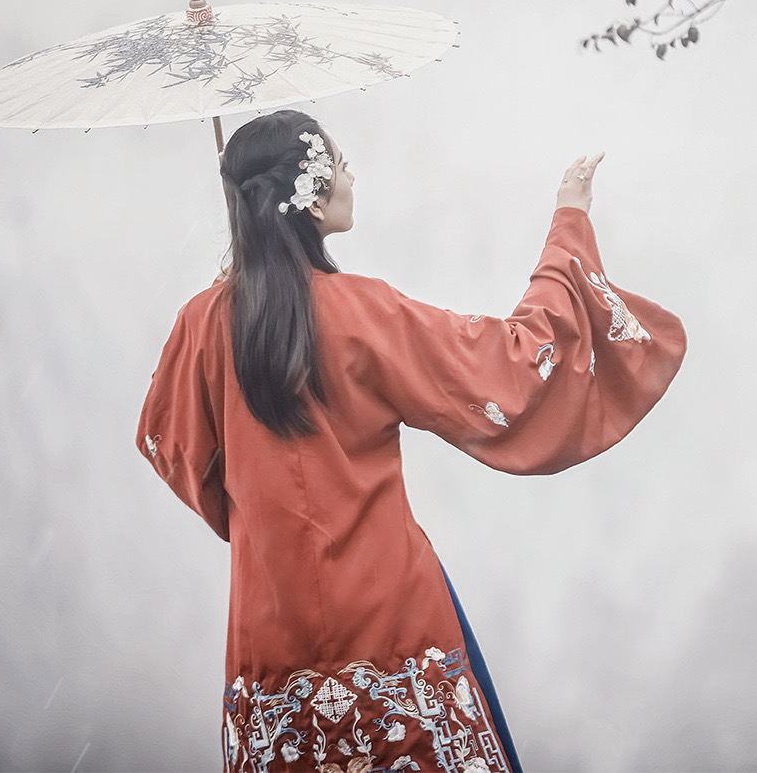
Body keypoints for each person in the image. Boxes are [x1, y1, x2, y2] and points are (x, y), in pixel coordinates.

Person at [137, 109, 685, 773]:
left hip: (268, 626)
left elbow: (174, 448)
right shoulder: (363, 312)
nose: (350, 175)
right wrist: (568, 226)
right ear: (308, 193)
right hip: (392, 619)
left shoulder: (203, 323)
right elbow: (512, 370)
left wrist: (255, 508)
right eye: (339, 163)